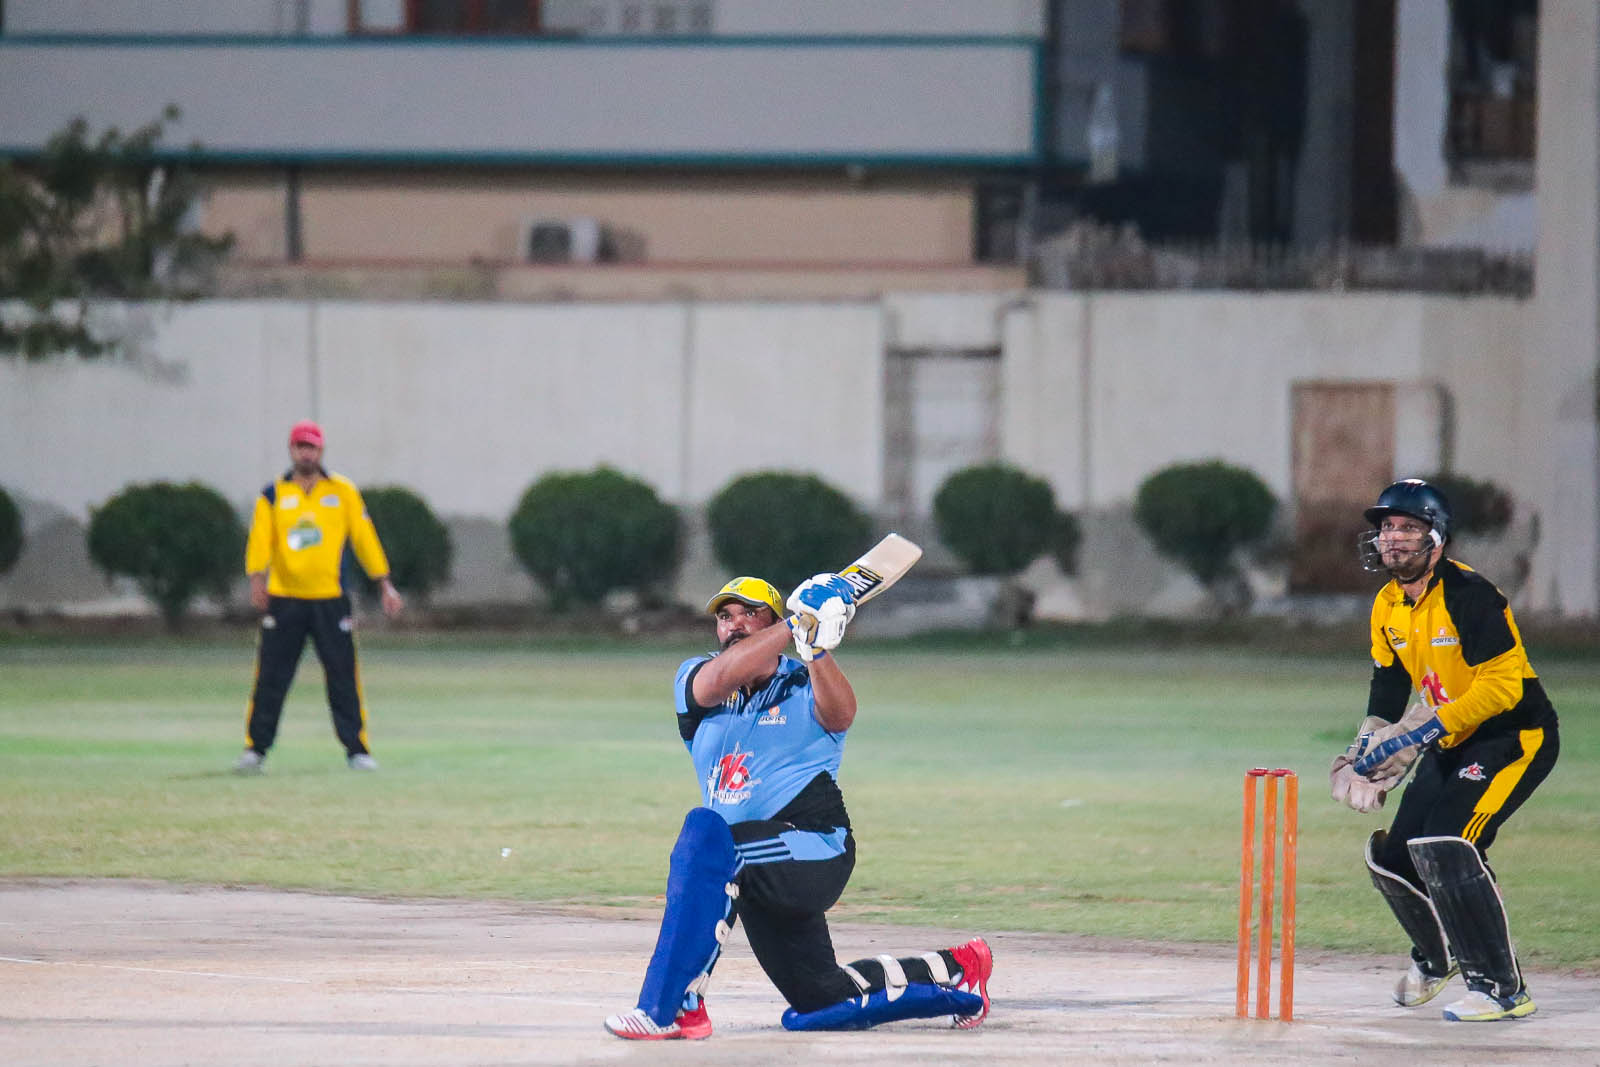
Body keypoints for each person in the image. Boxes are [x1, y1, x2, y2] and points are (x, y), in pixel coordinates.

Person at [603, 574, 992, 1039]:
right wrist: (795, 623)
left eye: (750, 614)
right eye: (726, 616)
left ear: (770, 622)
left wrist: (816, 648)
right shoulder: (697, 678)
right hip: (749, 871)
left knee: (705, 833)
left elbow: (842, 714)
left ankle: (670, 1008)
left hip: (814, 847)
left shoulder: (805, 680)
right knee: (820, 999)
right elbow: (718, 679)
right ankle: (957, 968)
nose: (735, 624)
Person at [1329, 478, 1558, 1022]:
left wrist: (1420, 733)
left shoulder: (1469, 595)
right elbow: (1388, 684)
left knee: (1450, 845)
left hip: (1512, 736)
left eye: (1408, 528)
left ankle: (1502, 988)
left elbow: (1503, 688)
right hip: (1449, 739)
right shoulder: (1388, 603)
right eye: (1387, 527)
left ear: (1436, 538)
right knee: (1394, 856)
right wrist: (1364, 747)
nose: (1393, 538)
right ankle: (1438, 958)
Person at [233, 420, 403, 774]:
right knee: (271, 677)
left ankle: (357, 749)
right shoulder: (273, 494)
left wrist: (384, 583)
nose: (306, 454)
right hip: (285, 598)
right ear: (291, 450)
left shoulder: (342, 491)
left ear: (321, 450)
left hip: (330, 598)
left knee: (342, 675)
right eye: (300, 447)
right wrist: (257, 579)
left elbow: (364, 537)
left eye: (311, 447)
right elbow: (260, 540)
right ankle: (256, 749)